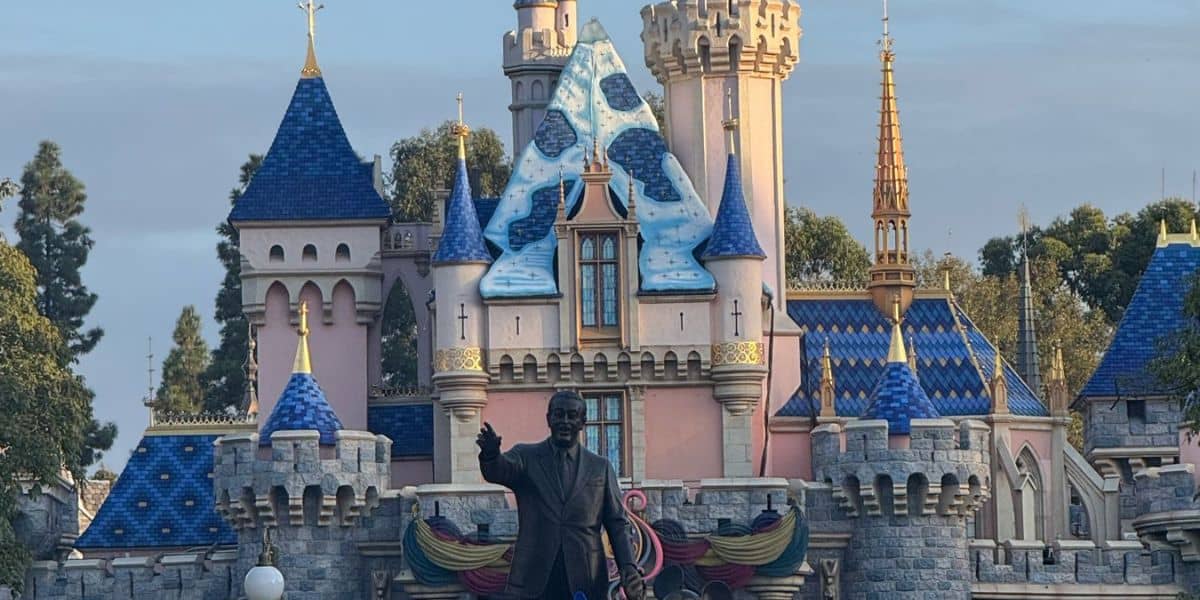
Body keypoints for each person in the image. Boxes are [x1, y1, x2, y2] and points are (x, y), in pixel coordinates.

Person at [477, 391, 646, 599]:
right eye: (559, 414)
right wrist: (491, 455)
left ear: (583, 421)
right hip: (534, 577)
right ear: (549, 419)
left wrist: (628, 567)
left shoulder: (600, 467)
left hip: (586, 577)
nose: (565, 421)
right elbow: (499, 470)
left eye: (572, 415)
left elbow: (617, 524)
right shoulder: (526, 457)